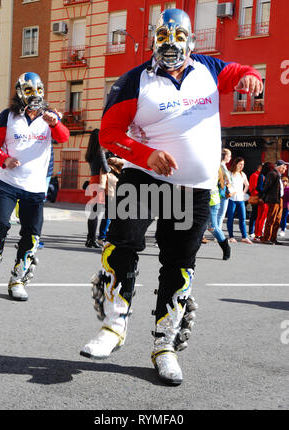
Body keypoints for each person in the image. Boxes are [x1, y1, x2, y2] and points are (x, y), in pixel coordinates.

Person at [80, 8, 262, 385]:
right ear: (153, 39)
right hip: (144, 178)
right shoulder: (135, 81)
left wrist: (250, 78)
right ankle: (114, 327)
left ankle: (165, 346)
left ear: (191, 39)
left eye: (179, 35)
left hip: (192, 190)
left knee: (178, 262)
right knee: (122, 242)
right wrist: (147, 155)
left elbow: (240, 72)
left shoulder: (208, 70)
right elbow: (108, 134)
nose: (171, 43)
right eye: (163, 35)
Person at [0, 72, 69, 300]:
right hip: (8, 182)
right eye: (29, 90)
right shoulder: (8, 116)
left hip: (34, 187)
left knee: (32, 234)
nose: (35, 95)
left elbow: (63, 138)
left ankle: (18, 280)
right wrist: (4, 159)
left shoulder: (49, 117)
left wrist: (56, 123)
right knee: (0, 224)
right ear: (19, 92)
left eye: (39, 90)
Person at [84, 129, 111, 248]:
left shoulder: (90, 152)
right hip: (101, 182)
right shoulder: (100, 151)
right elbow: (106, 169)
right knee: (100, 212)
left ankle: (90, 239)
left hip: (93, 180)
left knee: (94, 212)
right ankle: (93, 239)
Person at [227, 157, 253, 244]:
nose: (242, 166)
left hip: (240, 199)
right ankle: (231, 236)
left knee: (243, 218)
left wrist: (243, 192)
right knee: (230, 218)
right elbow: (227, 184)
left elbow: (247, 185)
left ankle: (244, 236)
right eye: (240, 164)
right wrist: (231, 192)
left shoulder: (243, 174)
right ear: (236, 164)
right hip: (232, 199)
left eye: (243, 164)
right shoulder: (230, 173)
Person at [261, 160, 287, 244]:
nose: (285, 169)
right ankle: (266, 238)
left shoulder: (278, 175)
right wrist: (265, 197)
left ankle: (273, 238)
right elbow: (266, 187)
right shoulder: (272, 174)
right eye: (284, 167)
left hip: (280, 200)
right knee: (271, 220)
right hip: (273, 200)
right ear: (279, 166)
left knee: (277, 220)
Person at [208, 168, 231, 260]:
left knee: (213, 228)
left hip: (212, 203)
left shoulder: (214, 173)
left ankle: (226, 248)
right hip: (203, 202)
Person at [253, 162, 274, 241]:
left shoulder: (263, 175)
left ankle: (257, 234)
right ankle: (258, 234)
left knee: (260, 217)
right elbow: (259, 188)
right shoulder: (262, 176)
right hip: (263, 198)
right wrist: (267, 191)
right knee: (261, 217)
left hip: (263, 198)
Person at [217, 148, 233, 230]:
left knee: (217, 214)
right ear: (225, 156)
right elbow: (227, 180)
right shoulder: (222, 166)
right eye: (229, 156)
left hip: (220, 191)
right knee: (220, 215)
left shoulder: (221, 165)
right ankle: (218, 233)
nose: (230, 158)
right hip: (223, 192)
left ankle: (217, 232)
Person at [248, 163, 262, 238]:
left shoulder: (260, 175)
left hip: (259, 196)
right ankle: (251, 231)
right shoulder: (255, 175)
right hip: (256, 197)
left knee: (257, 215)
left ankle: (255, 230)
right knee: (254, 215)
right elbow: (253, 188)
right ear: (259, 168)